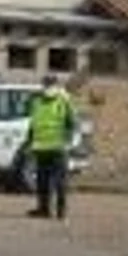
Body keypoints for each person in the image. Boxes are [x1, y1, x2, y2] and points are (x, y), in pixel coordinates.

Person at [25, 73, 79, 220]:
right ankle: (44, 210)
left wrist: (68, 142)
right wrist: (29, 141)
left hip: (57, 148)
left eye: (48, 84)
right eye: (46, 84)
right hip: (43, 148)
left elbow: (71, 123)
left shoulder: (63, 100)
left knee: (58, 182)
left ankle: (60, 212)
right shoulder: (37, 101)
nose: (46, 87)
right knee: (43, 181)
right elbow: (34, 123)